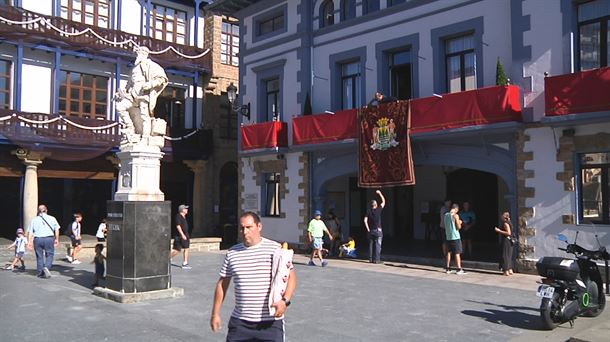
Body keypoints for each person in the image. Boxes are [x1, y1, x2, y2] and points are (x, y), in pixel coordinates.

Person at [210, 212, 297, 341]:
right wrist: (215, 313)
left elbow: (291, 277)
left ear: (259, 227)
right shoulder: (232, 253)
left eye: (249, 227)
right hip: (241, 323)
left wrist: (285, 301)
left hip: (270, 323)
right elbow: (222, 284)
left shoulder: (275, 249)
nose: (244, 232)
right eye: (242, 228)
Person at [114, 46, 168, 142]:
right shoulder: (134, 68)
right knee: (120, 107)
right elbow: (129, 84)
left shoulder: (150, 65)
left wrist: (150, 84)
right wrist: (121, 93)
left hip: (144, 94)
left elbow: (162, 78)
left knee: (144, 116)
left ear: (145, 54)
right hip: (132, 94)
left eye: (140, 53)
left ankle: (145, 137)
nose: (138, 55)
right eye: (137, 53)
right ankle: (130, 127)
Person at [27, 204, 60, 279]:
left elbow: (30, 232)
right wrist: (57, 239)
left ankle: (39, 272)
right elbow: (57, 229)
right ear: (46, 210)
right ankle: (47, 267)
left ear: (38, 211)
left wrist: (29, 242)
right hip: (49, 238)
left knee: (39, 256)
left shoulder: (34, 220)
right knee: (50, 254)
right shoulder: (52, 218)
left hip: (38, 239)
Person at [364, 189, 386, 264]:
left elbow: (365, 220)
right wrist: (380, 193)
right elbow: (383, 201)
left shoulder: (369, 211)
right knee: (378, 245)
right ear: (376, 205)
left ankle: (370, 259)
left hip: (371, 231)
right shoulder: (378, 210)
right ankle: (377, 259)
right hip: (378, 230)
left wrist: (368, 229)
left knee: (370, 244)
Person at [444, 203, 466, 275]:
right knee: (457, 253)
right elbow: (458, 227)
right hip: (455, 236)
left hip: (448, 236)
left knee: (449, 252)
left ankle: (448, 268)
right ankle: (459, 269)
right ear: (456, 209)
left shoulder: (446, 215)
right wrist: (460, 222)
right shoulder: (455, 215)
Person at [171, 204, 191, 269]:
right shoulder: (178, 216)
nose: (187, 210)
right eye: (185, 209)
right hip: (180, 236)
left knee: (186, 248)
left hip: (185, 235)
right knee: (177, 250)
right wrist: (182, 235)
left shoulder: (184, 217)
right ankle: (166, 259)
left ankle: (185, 263)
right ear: (182, 210)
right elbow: (178, 226)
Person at [495, 211, 514, 276]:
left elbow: (508, 233)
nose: (501, 217)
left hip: (506, 241)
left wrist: (499, 231)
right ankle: (510, 269)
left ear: (504, 217)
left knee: (505, 255)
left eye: (502, 216)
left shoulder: (505, 223)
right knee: (509, 255)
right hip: (510, 241)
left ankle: (506, 270)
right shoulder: (510, 222)